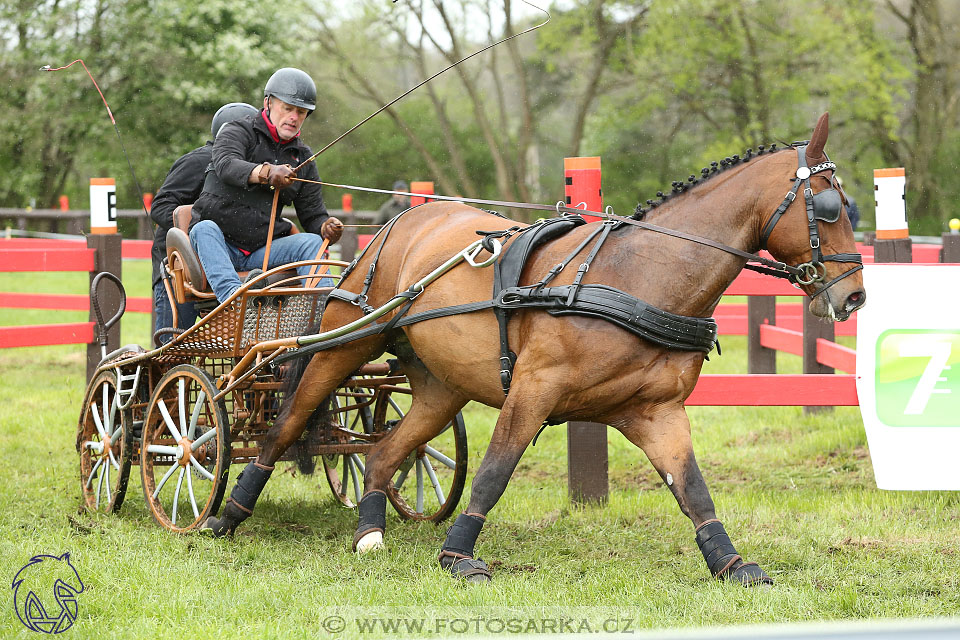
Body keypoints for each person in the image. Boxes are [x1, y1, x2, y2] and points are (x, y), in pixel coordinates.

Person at [189, 68, 343, 303]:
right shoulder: (238, 130)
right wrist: (267, 172)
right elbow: (226, 165)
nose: (293, 117)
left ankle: (324, 314)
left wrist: (325, 228)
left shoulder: (303, 158)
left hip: (262, 251)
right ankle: (238, 300)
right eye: (287, 108)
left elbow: (312, 215)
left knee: (312, 242)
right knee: (203, 229)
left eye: (301, 112)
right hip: (220, 245)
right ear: (268, 103)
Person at [150, 102, 259, 344]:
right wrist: (193, 237)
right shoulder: (199, 161)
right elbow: (160, 206)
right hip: (178, 268)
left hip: (218, 265)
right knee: (175, 344)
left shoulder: (245, 170)